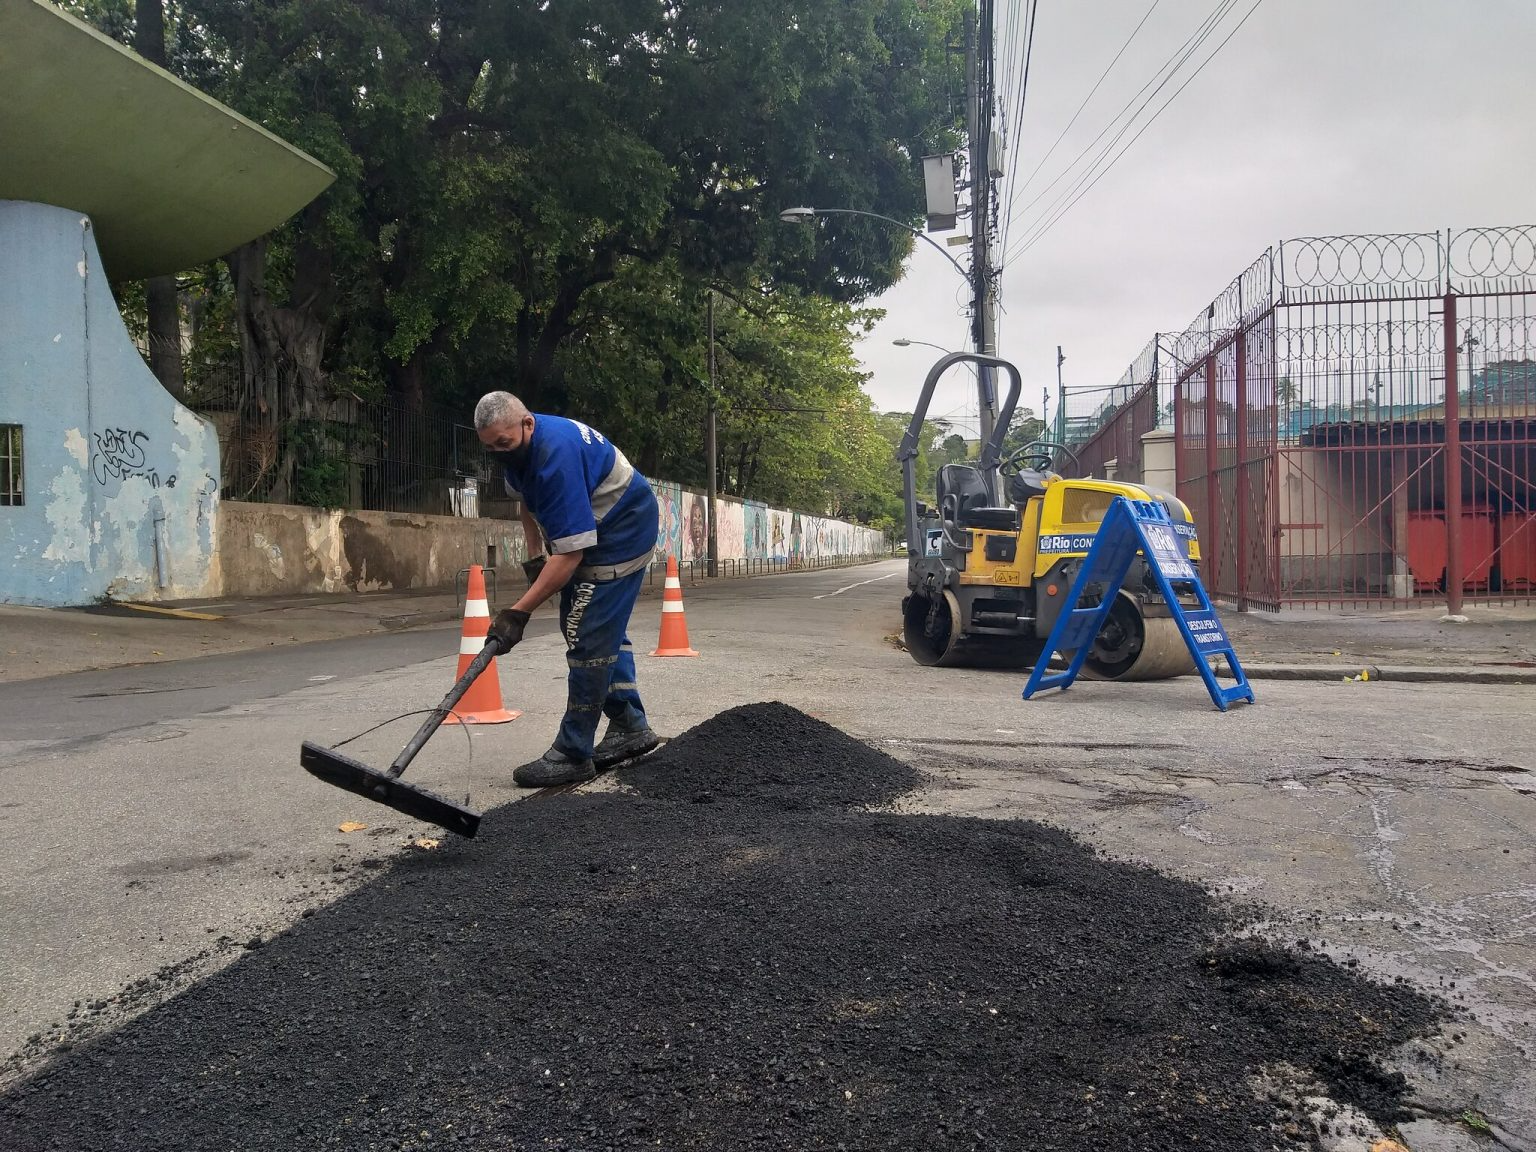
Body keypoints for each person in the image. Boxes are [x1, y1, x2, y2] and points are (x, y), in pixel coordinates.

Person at [474, 391, 660, 787]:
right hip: (598, 528)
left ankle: (573, 751)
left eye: (503, 444)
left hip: (623, 529)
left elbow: (571, 556)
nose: (498, 452)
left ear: (527, 424)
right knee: (592, 627)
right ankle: (629, 723)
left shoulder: (553, 456)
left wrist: (517, 613)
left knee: (587, 634)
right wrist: (533, 554)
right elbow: (526, 500)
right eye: (489, 447)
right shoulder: (519, 449)